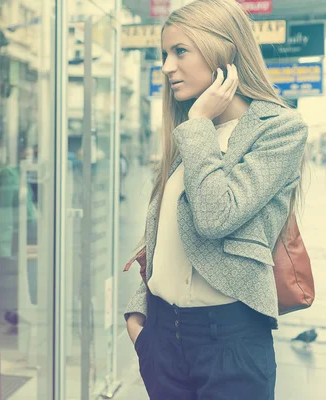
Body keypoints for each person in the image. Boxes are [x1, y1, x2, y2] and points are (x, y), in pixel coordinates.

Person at [123, 1, 307, 399]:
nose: (167, 66)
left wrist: (200, 124)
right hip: (163, 338)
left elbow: (214, 215)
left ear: (222, 51)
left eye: (180, 51)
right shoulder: (190, 131)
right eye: (163, 55)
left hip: (231, 340)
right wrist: (139, 322)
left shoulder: (278, 129)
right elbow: (163, 235)